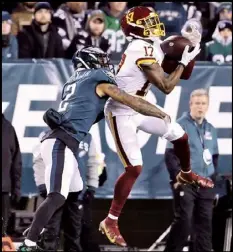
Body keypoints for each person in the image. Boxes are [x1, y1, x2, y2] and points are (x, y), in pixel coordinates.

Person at [17, 45, 174, 251]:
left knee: (75, 190)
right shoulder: (97, 80)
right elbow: (129, 100)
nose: (106, 64)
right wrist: (160, 113)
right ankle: (28, 243)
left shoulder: (75, 81)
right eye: (100, 60)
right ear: (90, 63)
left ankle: (37, 230)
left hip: (64, 142)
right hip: (61, 143)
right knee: (57, 195)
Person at [99, 6, 213, 247]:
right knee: (134, 168)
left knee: (179, 134)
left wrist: (190, 51)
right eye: (148, 22)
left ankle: (186, 172)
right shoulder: (139, 47)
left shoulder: (152, 43)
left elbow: (183, 75)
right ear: (135, 28)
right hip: (122, 109)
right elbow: (167, 86)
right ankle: (110, 220)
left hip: (141, 103)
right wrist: (183, 60)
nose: (154, 24)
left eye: (153, 19)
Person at [164, 89, 219, 252]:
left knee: (205, 225)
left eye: (203, 104)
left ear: (207, 106)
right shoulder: (180, 126)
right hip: (186, 182)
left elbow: (214, 157)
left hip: (205, 183)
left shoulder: (211, 129)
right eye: (197, 104)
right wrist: (177, 178)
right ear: (190, 105)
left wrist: (212, 180)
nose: (200, 107)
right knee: (184, 222)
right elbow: (170, 155)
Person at [30, 131, 102, 251]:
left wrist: (92, 186)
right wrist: (42, 184)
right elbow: (39, 160)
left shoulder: (87, 137)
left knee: (74, 234)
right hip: (54, 191)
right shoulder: (47, 134)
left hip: (76, 194)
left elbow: (92, 162)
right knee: (50, 233)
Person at [2, 114, 22, 236]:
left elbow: (16, 161)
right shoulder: (8, 128)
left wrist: (16, 188)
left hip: (3, 190)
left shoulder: (8, 129)